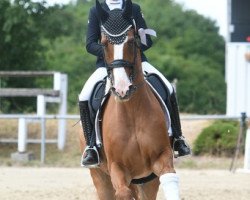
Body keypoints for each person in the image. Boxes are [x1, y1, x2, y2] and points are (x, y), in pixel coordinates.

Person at [79, 0, 191, 168]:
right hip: (107, 64)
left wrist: (130, 49)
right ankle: (91, 147)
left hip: (135, 63)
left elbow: (147, 41)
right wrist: (113, 53)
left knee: (167, 86)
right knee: (85, 95)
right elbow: (90, 44)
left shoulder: (134, 9)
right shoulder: (96, 10)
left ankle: (177, 137)